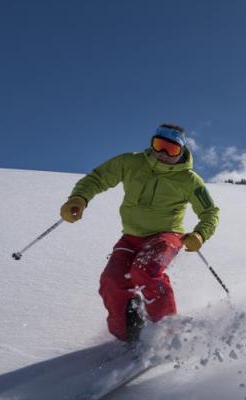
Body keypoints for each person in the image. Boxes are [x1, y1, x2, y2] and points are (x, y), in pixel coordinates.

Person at [60, 124, 220, 342]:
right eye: (159, 146)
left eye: (170, 150)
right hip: (131, 237)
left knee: (145, 270)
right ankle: (128, 335)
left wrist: (200, 234)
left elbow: (210, 211)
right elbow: (98, 178)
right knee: (112, 280)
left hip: (167, 236)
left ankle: (166, 333)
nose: (162, 154)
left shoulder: (189, 180)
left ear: (181, 152)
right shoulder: (131, 162)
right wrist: (79, 198)